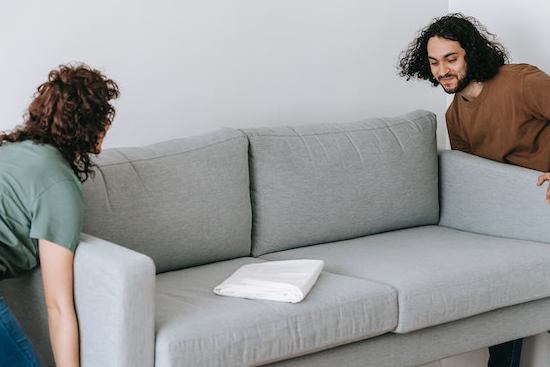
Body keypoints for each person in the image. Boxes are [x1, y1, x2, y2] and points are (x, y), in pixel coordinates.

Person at [398, 13, 550, 367]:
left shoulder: (521, 82)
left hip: (544, 203)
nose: (442, 71)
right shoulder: (454, 116)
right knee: (504, 291)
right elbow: (474, 179)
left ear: (472, 54)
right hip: (514, 219)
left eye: (451, 59)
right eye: (434, 62)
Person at [0, 64, 119, 366]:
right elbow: (58, 306)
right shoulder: (59, 185)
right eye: (103, 116)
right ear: (89, 126)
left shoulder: (12, 150)